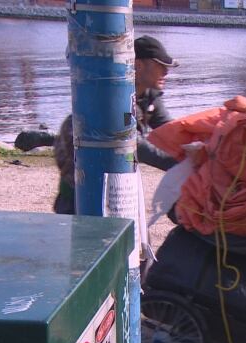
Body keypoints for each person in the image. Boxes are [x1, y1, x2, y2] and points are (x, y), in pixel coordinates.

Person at [53, 35, 179, 214]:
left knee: (128, 233)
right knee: (83, 231)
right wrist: (177, 163)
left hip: (115, 179)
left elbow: (171, 129)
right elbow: (134, 143)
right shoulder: (119, 98)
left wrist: (199, 145)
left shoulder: (149, 96)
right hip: (79, 179)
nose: (166, 72)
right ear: (138, 65)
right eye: (161, 66)